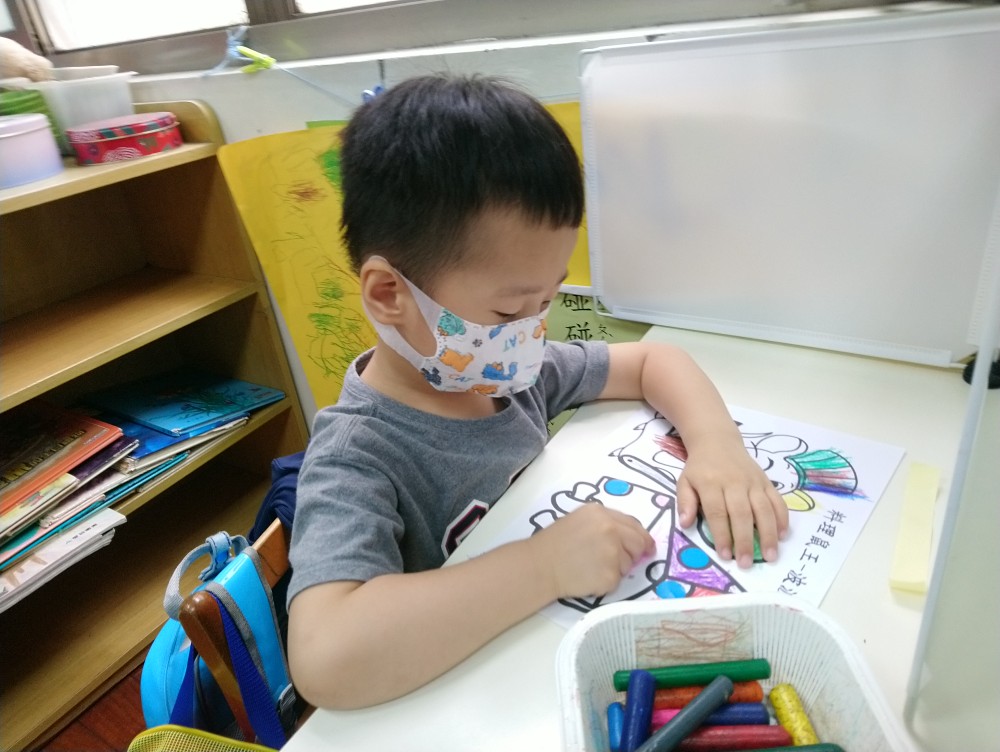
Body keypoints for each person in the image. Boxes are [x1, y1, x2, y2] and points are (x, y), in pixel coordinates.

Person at [286, 73, 788, 710]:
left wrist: (717, 447)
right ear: (390, 294)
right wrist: (542, 566)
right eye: (508, 311)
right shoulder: (357, 454)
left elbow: (654, 359)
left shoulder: (507, 373)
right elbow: (325, 659)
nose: (531, 332)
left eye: (546, 301)